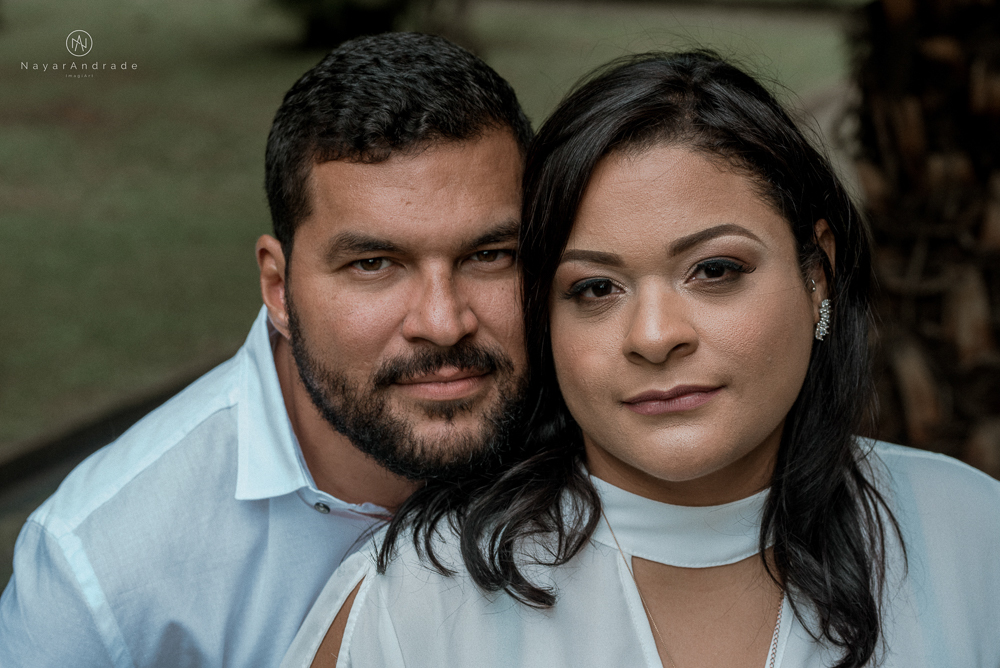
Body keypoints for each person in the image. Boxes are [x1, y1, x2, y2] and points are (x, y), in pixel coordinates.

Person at [282, 51, 1000, 668]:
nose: (655, 337)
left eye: (715, 270)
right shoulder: (419, 600)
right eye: (595, 288)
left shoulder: (972, 536)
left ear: (817, 273)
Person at [0, 32, 533, 667]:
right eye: (373, 263)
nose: (444, 324)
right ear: (279, 288)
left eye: (491, 255)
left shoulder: (601, 436)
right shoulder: (100, 573)